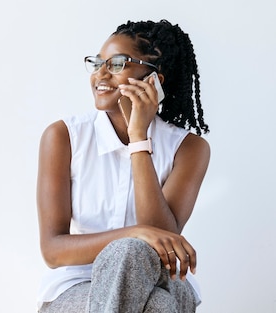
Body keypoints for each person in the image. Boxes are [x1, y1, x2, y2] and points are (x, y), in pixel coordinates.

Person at [36, 20, 210, 312]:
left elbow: (162, 244)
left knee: (136, 257)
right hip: (78, 285)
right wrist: (134, 233)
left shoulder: (189, 149)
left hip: (162, 279)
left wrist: (139, 138)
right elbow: (53, 250)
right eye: (98, 62)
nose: (101, 74)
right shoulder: (63, 137)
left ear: (154, 79)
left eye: (117, 64)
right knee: (159, 307)